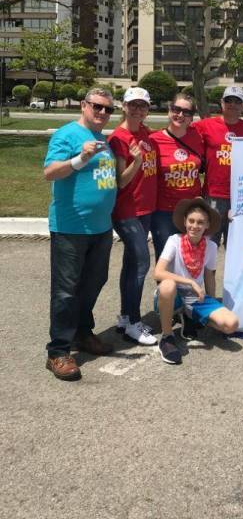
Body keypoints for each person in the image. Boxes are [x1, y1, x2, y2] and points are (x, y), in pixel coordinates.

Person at [44, 88, 117, 381]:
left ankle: (82, 332)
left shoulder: (102, 138)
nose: (102, 113)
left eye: (108, 109)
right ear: (84, 105)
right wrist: (79, 159)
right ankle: (58, 351)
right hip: (71, 227)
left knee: (93, 282)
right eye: (97, 106)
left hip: (100, 226)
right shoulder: (67, 135)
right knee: (66, 290)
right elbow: (50, 172)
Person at [153, 197, 240, 365]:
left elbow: (209, 276)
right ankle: (167, 337)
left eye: (200, 222)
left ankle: (190, 316)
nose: (194, 226)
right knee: (168, 285)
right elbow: (158, 272)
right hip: (171, 295)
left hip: (193, 297)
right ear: (184, 221)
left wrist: (212, 304)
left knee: (231, 324)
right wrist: (191, 282)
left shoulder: (211, 247)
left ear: (207, 225)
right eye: (191, 221)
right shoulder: (174, 240)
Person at [109, 87, 158, 346]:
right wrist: (136, 162)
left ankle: (125, 317)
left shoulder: (146, 133)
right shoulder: (119, 137)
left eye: (143, 105)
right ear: (124, 106)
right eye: (133, 105)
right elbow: (120, 182)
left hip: (145, 209)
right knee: (140, 264)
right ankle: (134, 322)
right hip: (127, 211)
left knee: (130, 264)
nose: (138, 109)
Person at [193, 85, 243, 246]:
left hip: (240, 197)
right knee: (208, 245)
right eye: (229, 100)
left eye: (237, 101)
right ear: (221, 102)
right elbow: (179, 132)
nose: (233, 105)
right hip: (213, 196)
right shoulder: (205, 125)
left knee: (236, 246)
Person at [150, 93, 203, 259]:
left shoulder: (199, 137)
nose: (180, 115)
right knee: (166, 258)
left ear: (191, 117)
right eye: (176, 109)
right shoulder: (153, 140)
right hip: (163, 212)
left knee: (190, 258)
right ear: (169, 109)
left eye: (186, 112)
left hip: (191, 211)